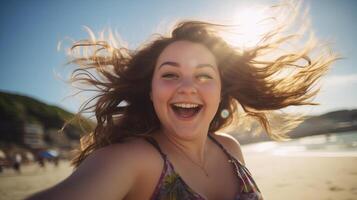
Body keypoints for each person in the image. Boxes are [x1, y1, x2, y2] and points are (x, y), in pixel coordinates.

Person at [26, 5, 337, 200]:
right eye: (170, 74)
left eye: (204, 76)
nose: (187, 87)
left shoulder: (230, 149)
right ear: (150, 91)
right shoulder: (131, 160)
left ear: (220, 92)